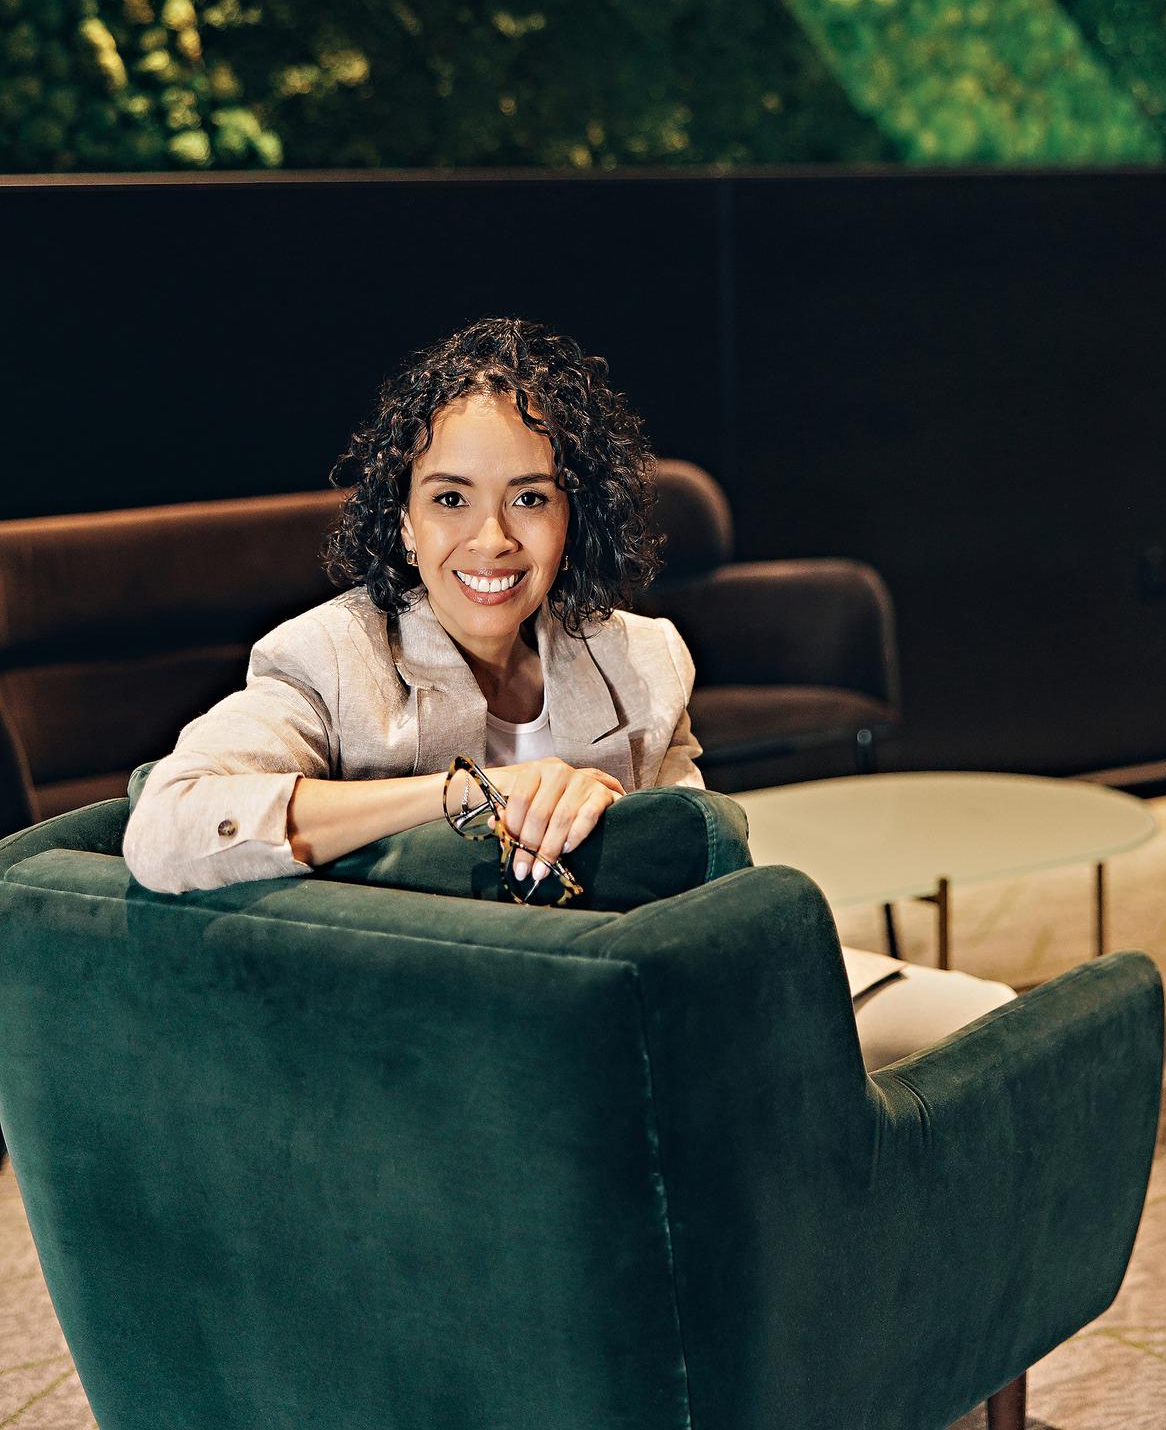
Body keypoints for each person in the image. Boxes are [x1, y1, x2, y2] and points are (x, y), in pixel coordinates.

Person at [122, 316, 1013, 1067]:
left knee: (990, 1022)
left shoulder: (644, 661)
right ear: (400, 520)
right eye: (449, 499)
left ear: (571, 515)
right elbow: (168, 829)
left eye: (530, 498)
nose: (491, 540)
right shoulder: (328, 658)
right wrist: (465, 795)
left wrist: (620, 816)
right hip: (460, 1046)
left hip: (655, 1000)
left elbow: (695, 882)